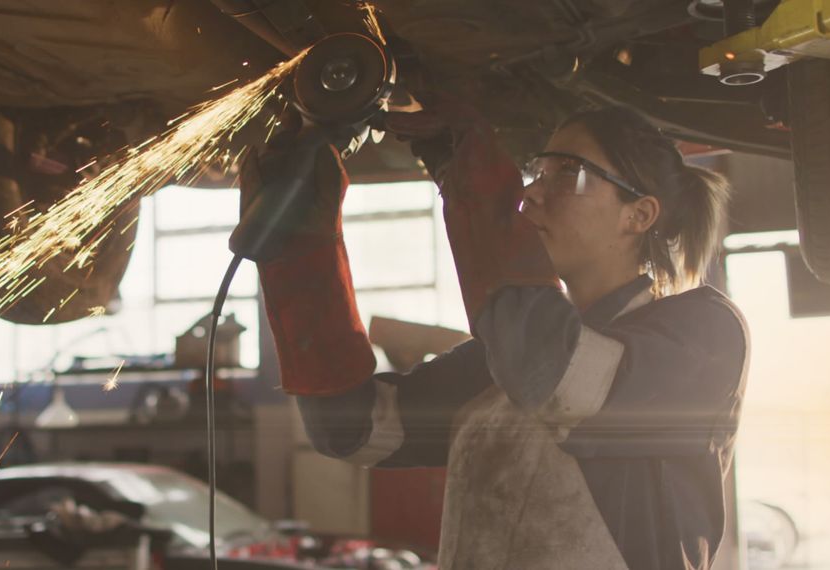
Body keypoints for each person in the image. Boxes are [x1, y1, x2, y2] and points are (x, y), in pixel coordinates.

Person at [234, 101, 750, 570]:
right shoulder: (504, 361)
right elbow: (351, 428)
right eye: (537, 170)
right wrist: (299, 252)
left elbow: (555, 373)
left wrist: (471, 182)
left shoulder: (704, 334)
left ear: (639, 214)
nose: (530, 192)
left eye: (569, 173)